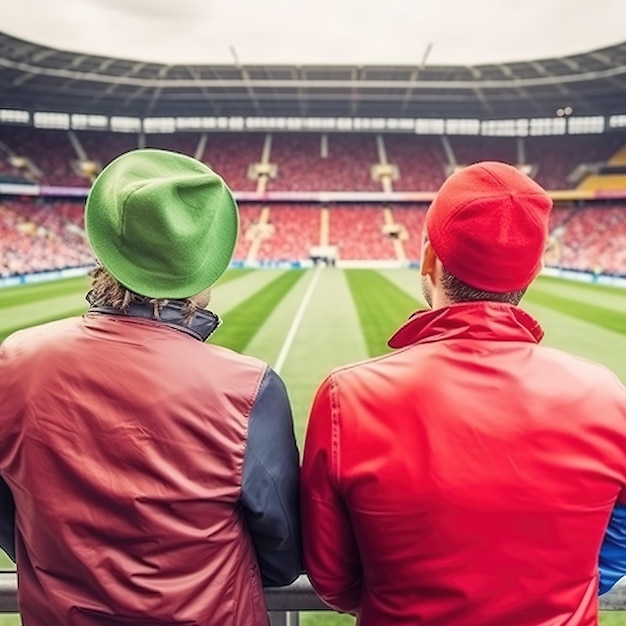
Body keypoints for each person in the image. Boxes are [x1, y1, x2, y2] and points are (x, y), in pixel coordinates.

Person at [301, 161, 626, 626]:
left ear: (430, 261)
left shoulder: (347, 398)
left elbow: (331, 577)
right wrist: (571, 584)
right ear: (532, 272)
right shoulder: (605, 396)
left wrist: (397, 599)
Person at [0, 148, 301, 626]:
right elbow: (283, 553)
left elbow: (11, 518)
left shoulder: (14, 361)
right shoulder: (247, 387)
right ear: (206, 266)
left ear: (103, 250)